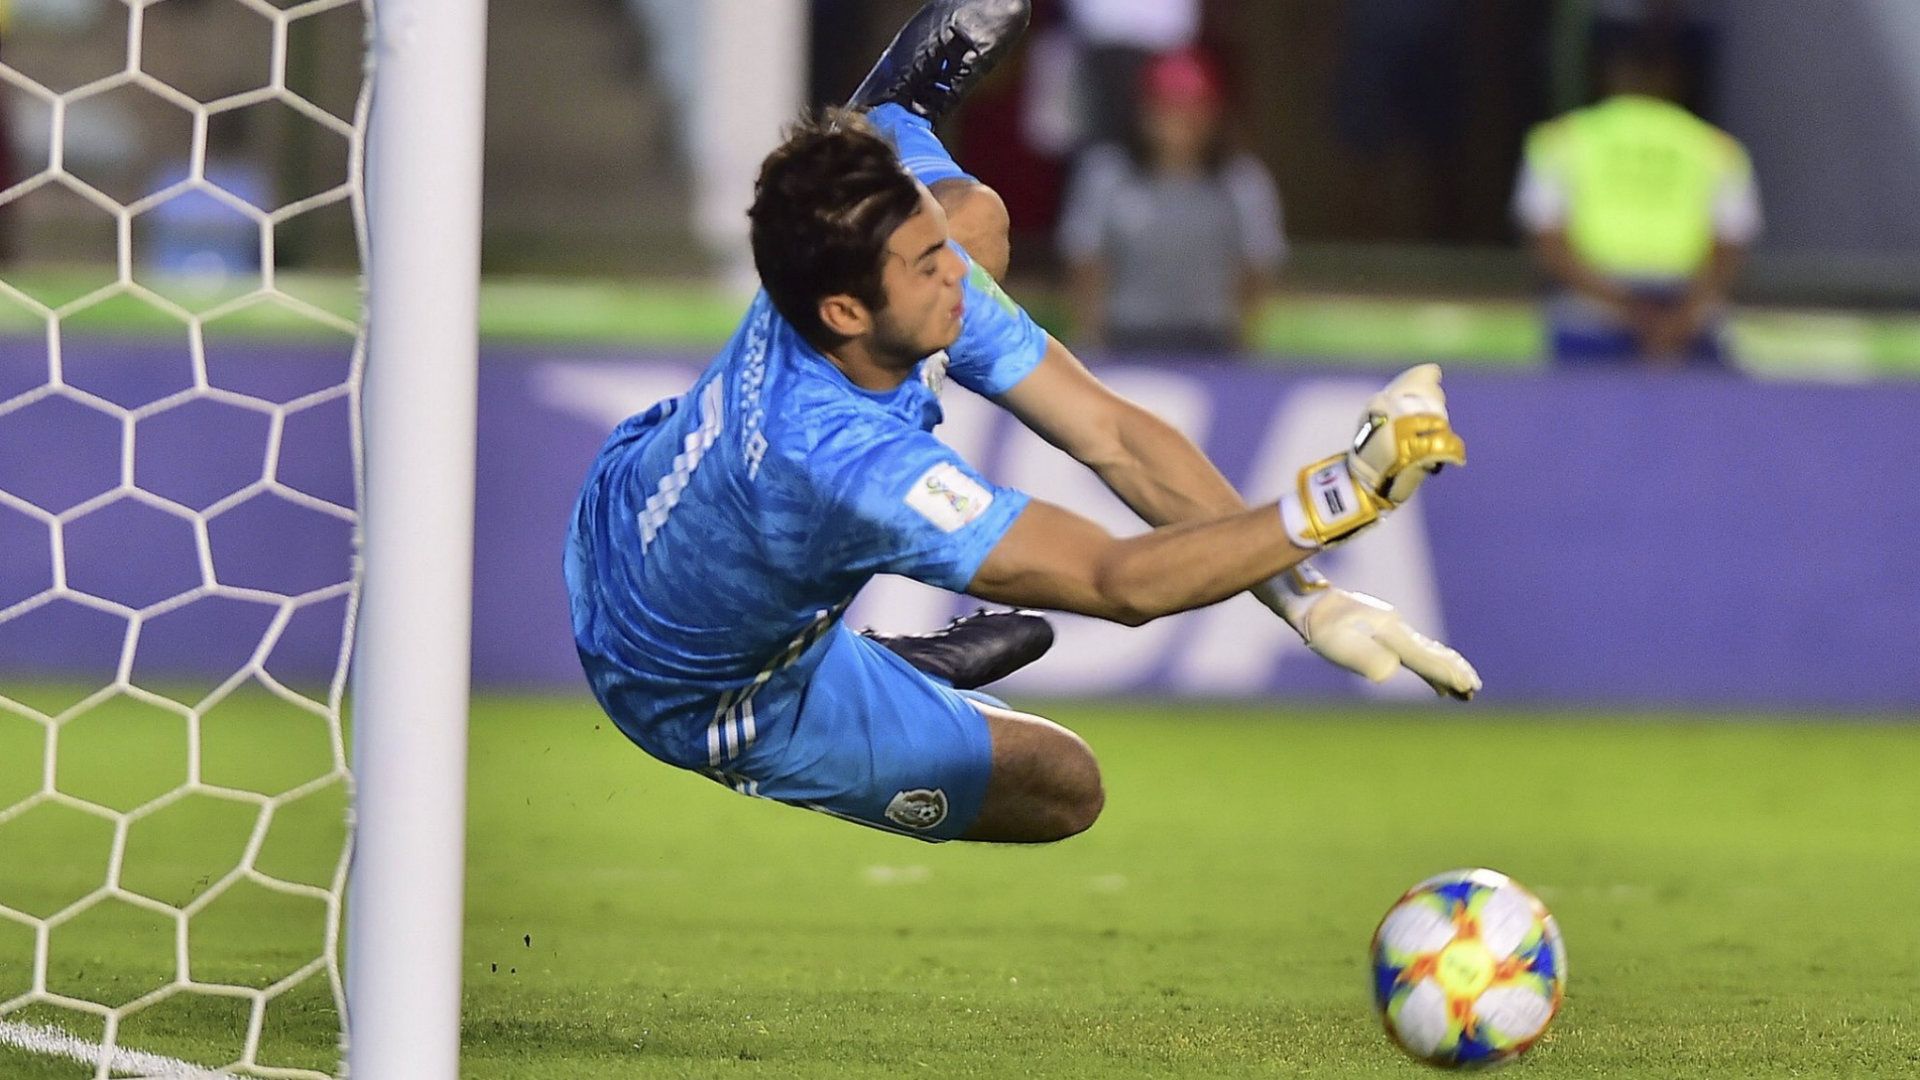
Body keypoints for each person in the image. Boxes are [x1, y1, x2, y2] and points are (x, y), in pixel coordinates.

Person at [566, 0, 1479, 845]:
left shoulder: (834, 261)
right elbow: (1117, 581)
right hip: (703, 688)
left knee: (980, 219)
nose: (955, 275)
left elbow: (1114, 436)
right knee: (1063, 788)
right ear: (845, 311)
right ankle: (878, 665)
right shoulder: (852, 468)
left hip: (629, 497)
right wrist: (1344, 494)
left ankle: (895, 110)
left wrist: (1305, 599)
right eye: (926, 266)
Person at [1513, 39, 1760, 367]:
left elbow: (1548, 244)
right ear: (1673, 80)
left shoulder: (1561, 139)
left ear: (1609, 76)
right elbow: (1730, 249)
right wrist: (1676, 319)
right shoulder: (1715, 147)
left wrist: (1632, 312)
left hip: (1596, 309)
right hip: (1677, 315)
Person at [1056, 48, 1284, 356]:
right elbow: (1086, 260)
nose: (1177, 124)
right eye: (1166, 109)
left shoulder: (1241, 181)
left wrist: (1244, 340)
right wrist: (1091, 336)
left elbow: (1257, 264)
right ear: (1144, 111)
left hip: (1211, 341)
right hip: (1125, 337)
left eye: (1191, 111)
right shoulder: (1107, 174)